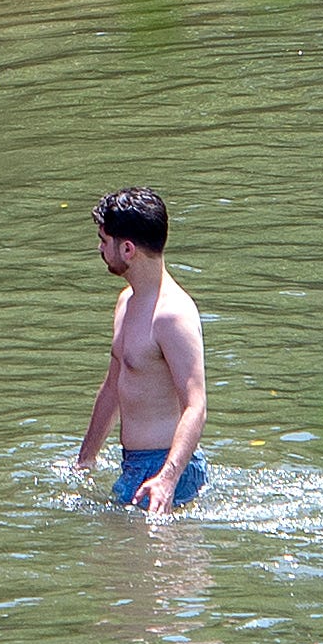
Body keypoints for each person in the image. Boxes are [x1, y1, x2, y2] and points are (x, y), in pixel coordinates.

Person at [77, 187, 209, 512]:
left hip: (167, 467)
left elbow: (196, 406)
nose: (99, 248)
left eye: (103, 240)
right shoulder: (126, 302)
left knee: (160, 562)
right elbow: (112, 388)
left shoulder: (173, 315)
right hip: (132, 465)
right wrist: (85, 460)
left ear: (127, 249)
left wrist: (168, 477)